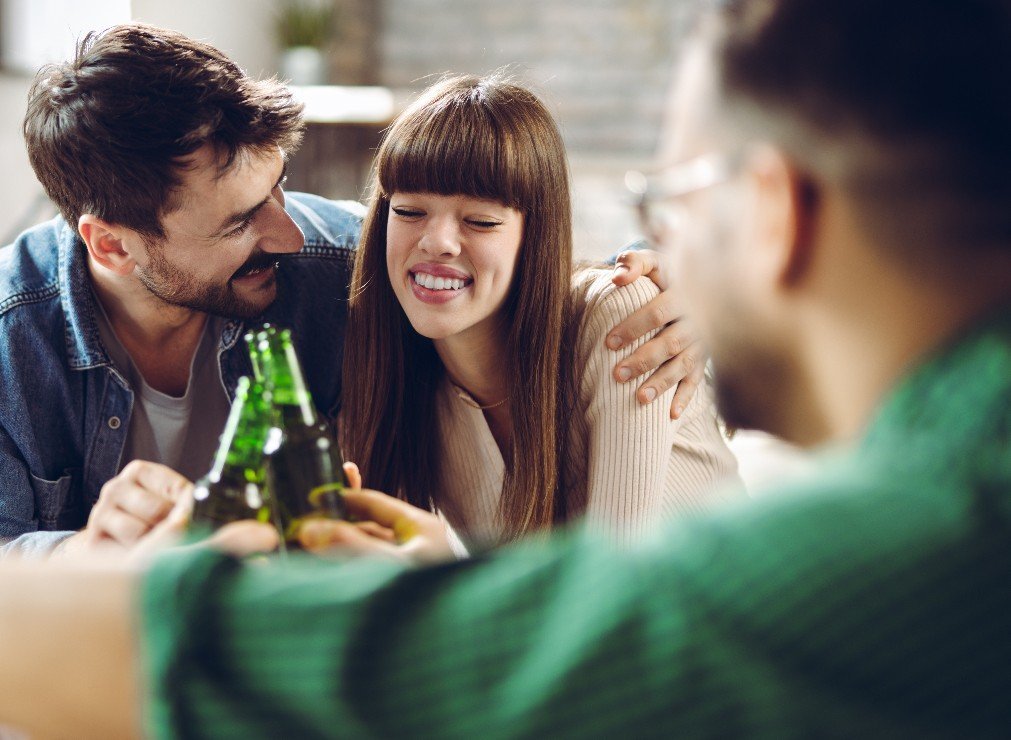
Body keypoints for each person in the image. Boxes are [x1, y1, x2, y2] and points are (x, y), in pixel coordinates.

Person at [9, 0, 1009, 734]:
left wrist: (618, 294)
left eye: (671, 207)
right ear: (110, 243)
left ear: (773, 216)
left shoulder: (889, 550)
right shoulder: (28, 334)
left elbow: (585, 643)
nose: (281, 231)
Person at [0, 23, 699, 559]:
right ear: (112, 245)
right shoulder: (12, 336)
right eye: (242, 221)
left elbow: (487, 260)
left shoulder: (335, 263)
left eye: (278, 190)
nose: (288, 235)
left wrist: (654, 287)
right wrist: (84, 555)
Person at [338, 74, 739, 553]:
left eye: (480, 221)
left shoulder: (620, 318)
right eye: (408, 212)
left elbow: (609, 592)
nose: (435, 241)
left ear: (536, 237)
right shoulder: (400, 386)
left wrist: (442, 575)